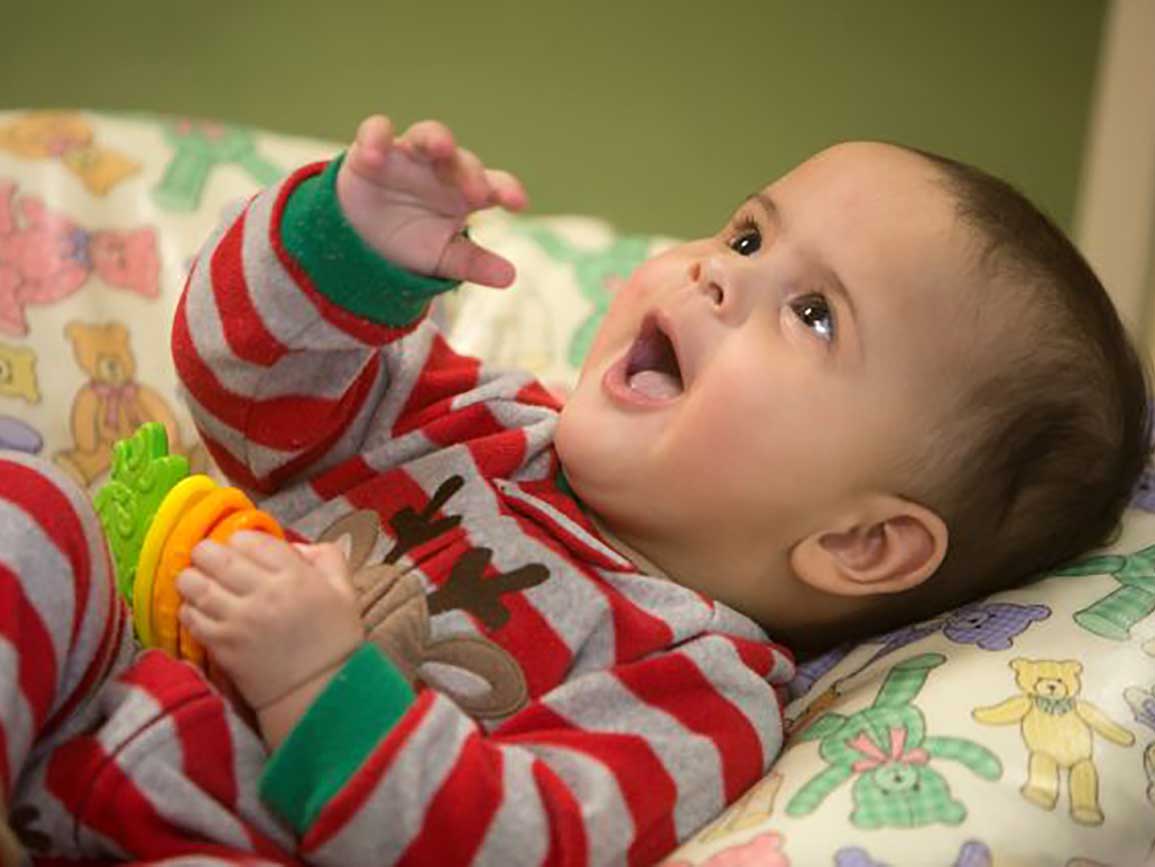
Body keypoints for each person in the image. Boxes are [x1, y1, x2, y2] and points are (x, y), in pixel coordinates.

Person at [1, 113, 1148, 866]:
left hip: (243, 833)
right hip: (100, 688)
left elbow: (506, 843)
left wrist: (314, 681)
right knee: (32, 516)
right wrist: (347, 247)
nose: (711, 271)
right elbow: (242, 381)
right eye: (748, 236)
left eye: (814, 312)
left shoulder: (703, 690)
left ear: (861, 544)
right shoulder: (484, 416)